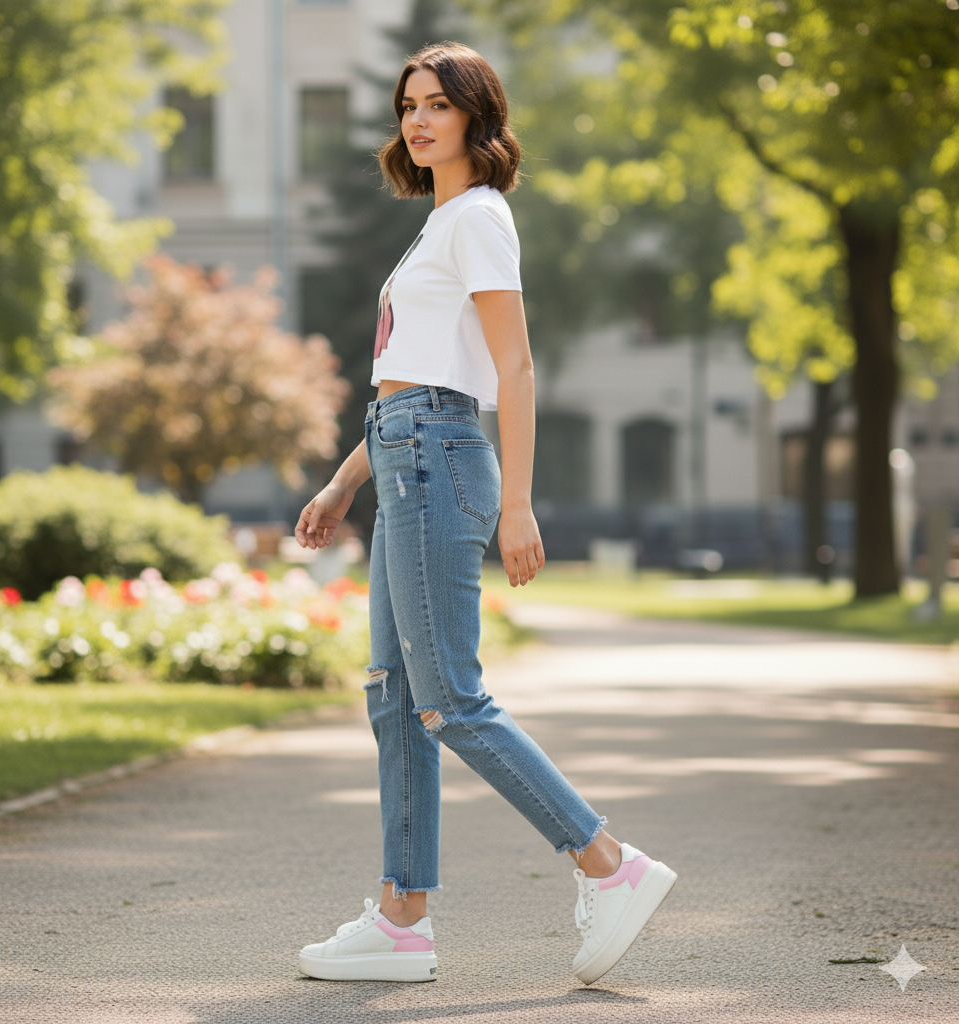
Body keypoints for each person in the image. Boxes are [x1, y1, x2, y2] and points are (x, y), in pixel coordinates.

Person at [293, 42, 676, 986]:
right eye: (408, 105)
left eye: (439, 105)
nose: (419, 120)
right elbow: (415, 379)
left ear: (477, 117)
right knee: (392, 701)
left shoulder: (479, 218)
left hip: (438, 460)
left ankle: (609, 864)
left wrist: (518, 504)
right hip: (401, 451)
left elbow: (511, 369)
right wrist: (346, 482)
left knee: (451, 700)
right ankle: (401, 921)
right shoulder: (437, 227)